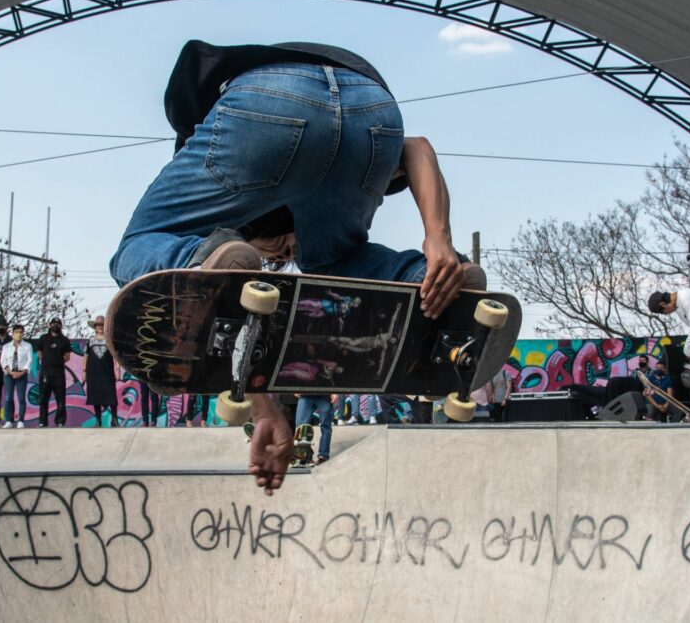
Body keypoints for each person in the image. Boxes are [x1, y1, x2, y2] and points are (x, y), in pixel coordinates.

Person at [108, 40, 490, 494]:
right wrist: (438, 242)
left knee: (140, 243)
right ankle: (425, 281)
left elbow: (222, 301)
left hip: (265, 98)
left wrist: (438, 240)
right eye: (278, 257)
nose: (283, 259)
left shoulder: (220, 201)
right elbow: (418, 147)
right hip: (374, 110)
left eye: (278, 253)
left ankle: (193, 259)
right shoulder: (314, 216)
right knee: (333, 263)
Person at [82, 315, 120, 427]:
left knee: (111, 395)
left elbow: (116, 356)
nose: (100, 327)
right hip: (93, 372)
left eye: (102, 325)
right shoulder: (90, 340)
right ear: (95, 326)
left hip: (107, 372)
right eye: (98, 325)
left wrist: (117, 370)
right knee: (95, 396)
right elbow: (86, 356)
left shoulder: (110, 340)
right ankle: (98, 420)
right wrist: (84, 371)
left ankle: (115, 419)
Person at [37, 317, 72, 428]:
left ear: (61, 326)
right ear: (49, 325)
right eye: (53, 324)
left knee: (60, 398)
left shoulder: (64, 340)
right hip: (45, 373)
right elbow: (40, 354)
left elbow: (67, 357)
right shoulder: (43, 338)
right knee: (43, 398)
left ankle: (60, 421)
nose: (55, 326)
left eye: (57, 324)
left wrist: (57, 361)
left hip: (59, 374)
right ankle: (43, 421)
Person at [0, 324, 32, 428]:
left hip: (21, 374)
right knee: (8, 397)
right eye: (16, 332)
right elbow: (3, 360)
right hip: (9, 374)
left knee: (21, 398)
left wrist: (22, 373)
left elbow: (29, 360)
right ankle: (9, 420)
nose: (19, 334)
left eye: (21, 332)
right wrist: (10, 371)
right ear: (13, 333)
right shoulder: (6, 346)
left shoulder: (27, 346)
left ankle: (21, 420)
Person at [294, 393, 337, 465]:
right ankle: (305, 456)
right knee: (301, 426)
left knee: (325, 426)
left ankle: (323, 455)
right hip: (306, 395)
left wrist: (335, 392)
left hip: (325, 395)